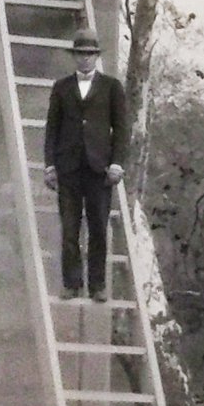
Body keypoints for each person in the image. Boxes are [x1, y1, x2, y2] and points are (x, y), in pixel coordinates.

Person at [43, 30, 127, 301]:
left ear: (96, 57)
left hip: (98, 170)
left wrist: (116, 163)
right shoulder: (61, 87)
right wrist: (49, 166)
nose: (85, 59)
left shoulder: (112, 87)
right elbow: (51, 130)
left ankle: (98, 285)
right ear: (74, 57)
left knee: (99, 229)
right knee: (69, 229)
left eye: (90, 54)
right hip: (68, 169)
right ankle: (72, 283)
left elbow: (122, 129)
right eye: (80, 54)